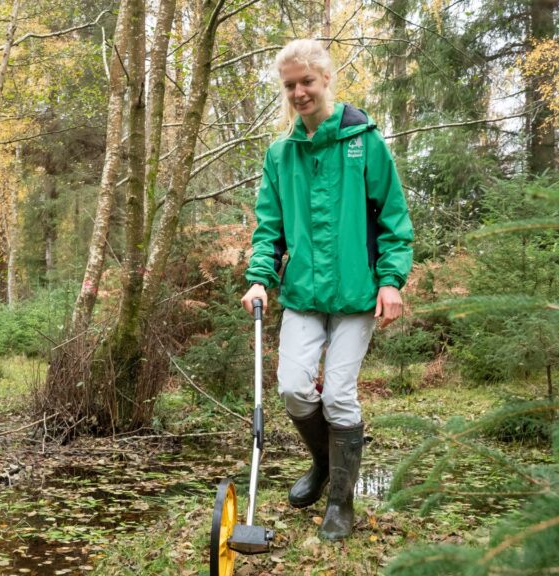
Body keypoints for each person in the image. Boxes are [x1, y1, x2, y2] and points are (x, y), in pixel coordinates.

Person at [240, 39, 413, 541]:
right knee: (294, 387)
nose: (298, 92)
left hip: (358, 296)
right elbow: (269, 228)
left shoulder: (365, 143)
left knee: (338, 395)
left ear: (326, 81)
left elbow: (394, 219)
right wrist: (259, 278)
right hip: (303, 296)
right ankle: (323, 463)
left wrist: (391, 281)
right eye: (290, 85)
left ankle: (340, 503)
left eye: (307, 82)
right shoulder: (280, 154)